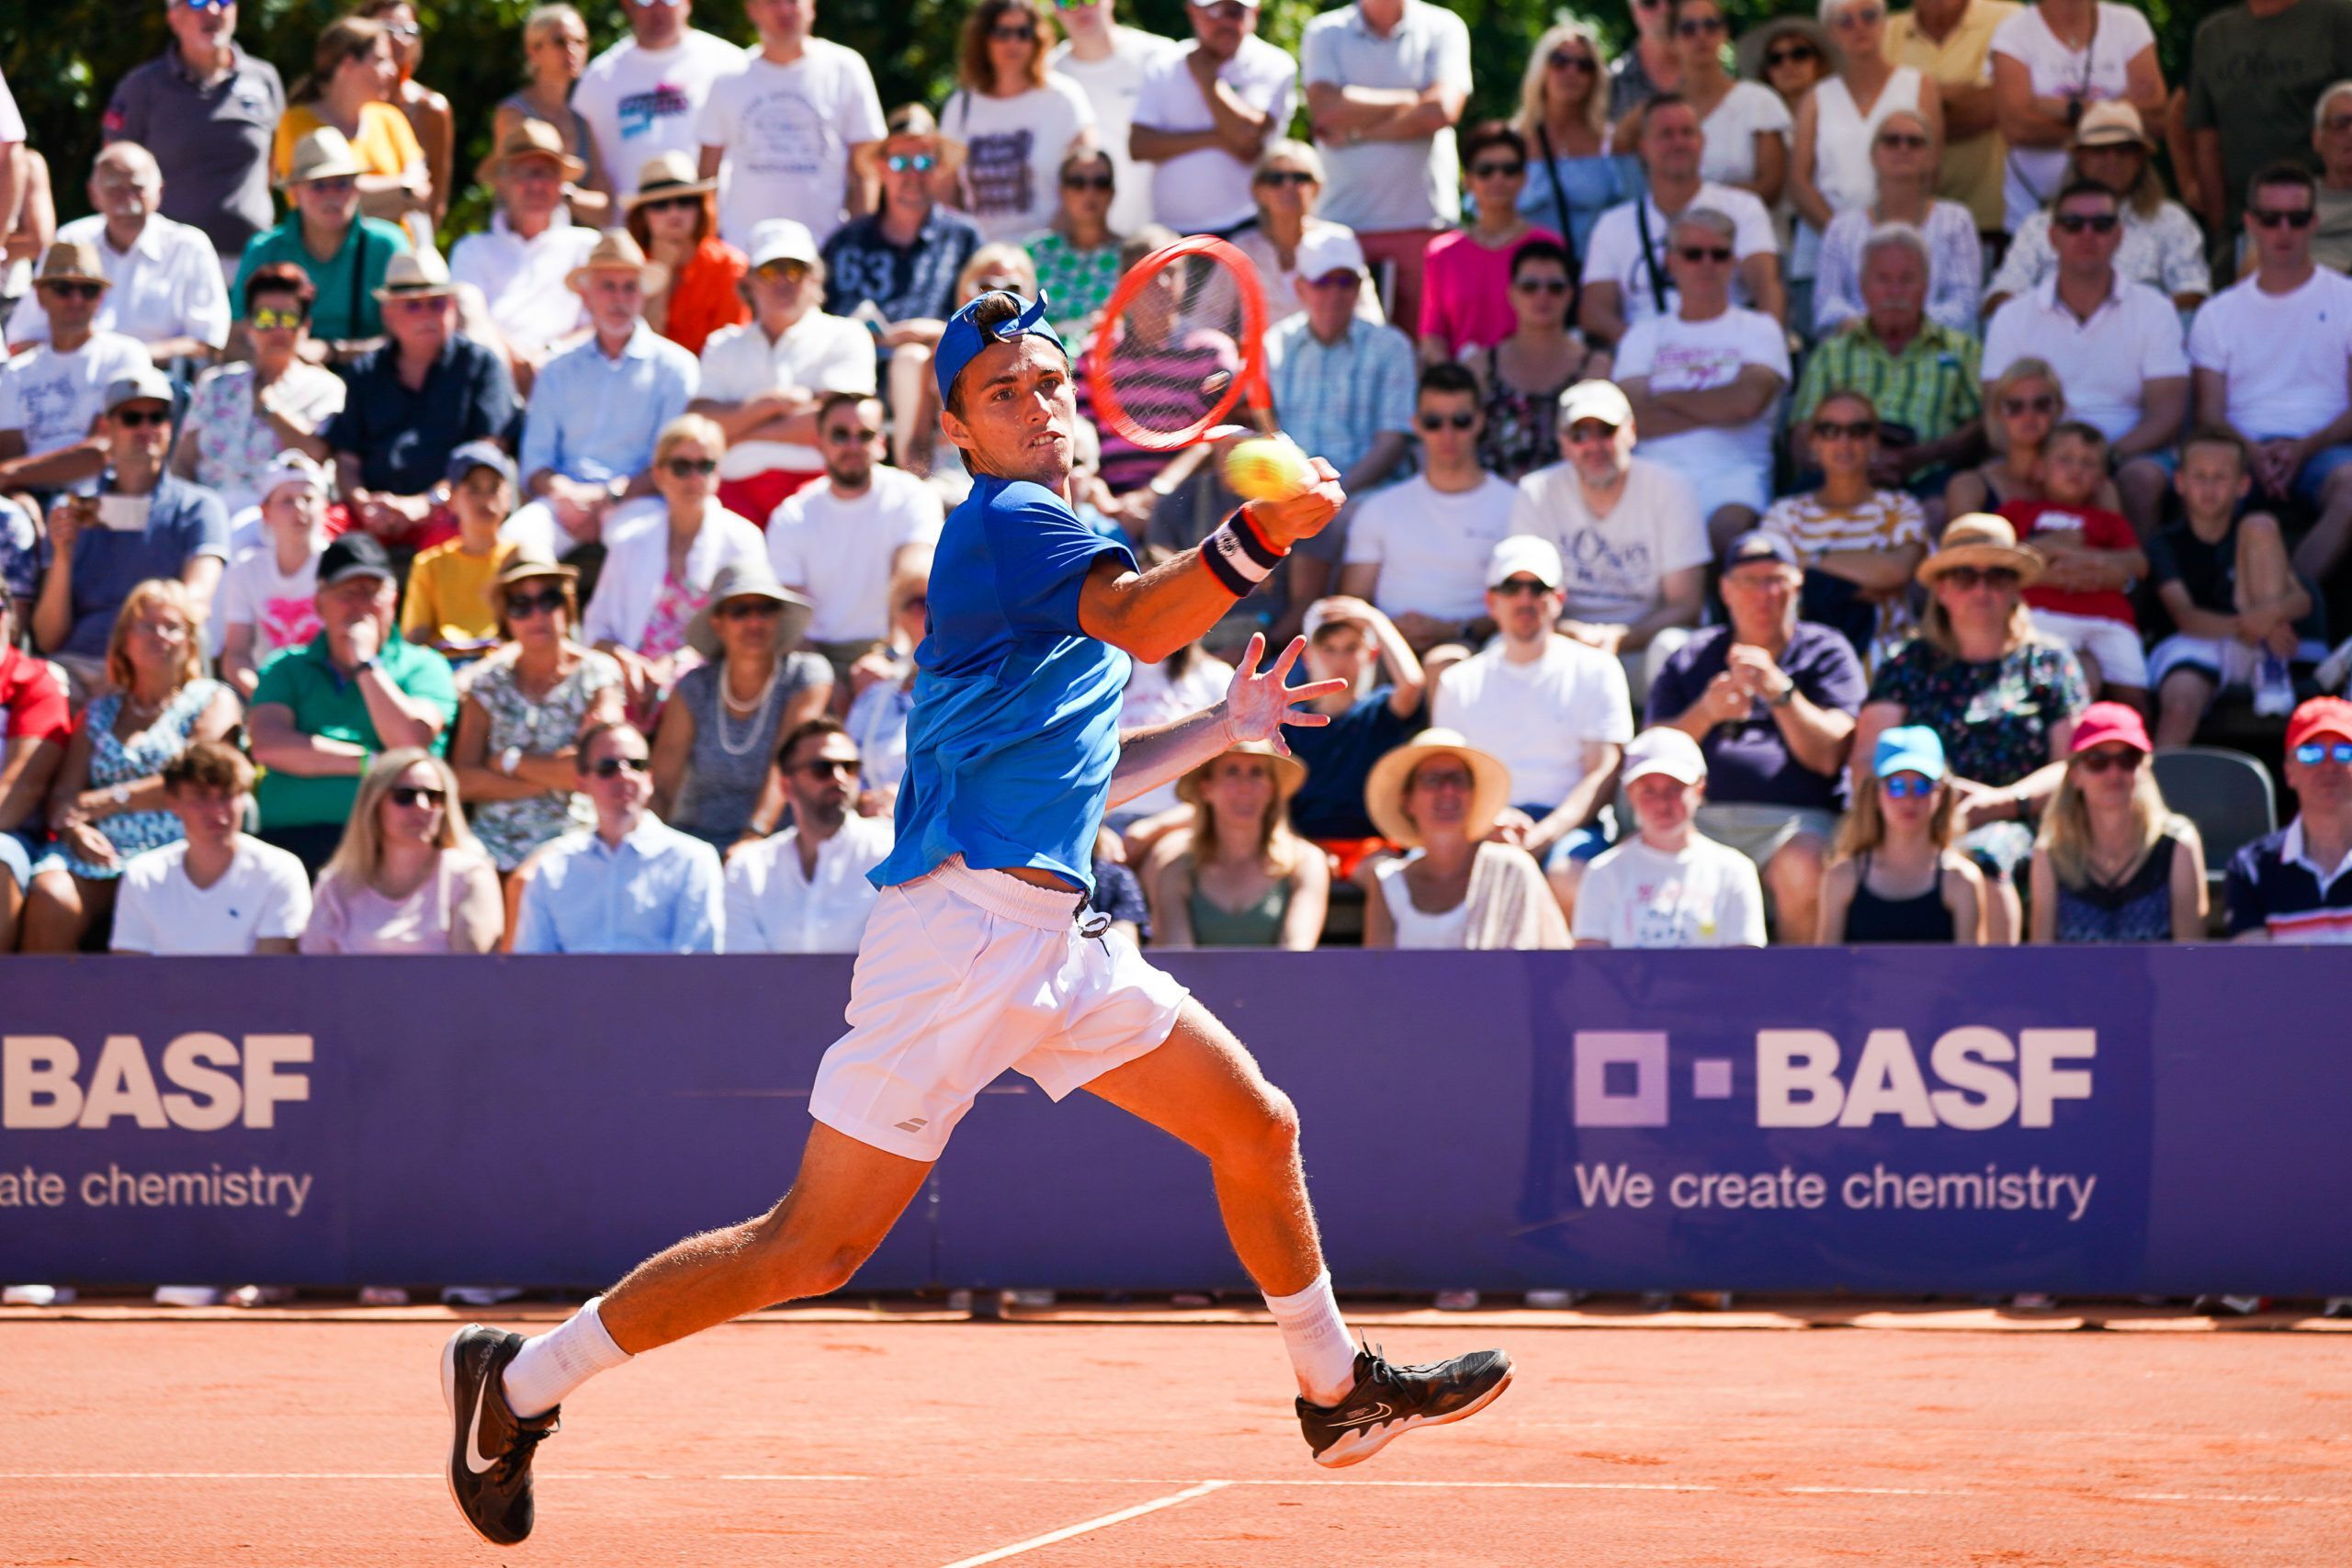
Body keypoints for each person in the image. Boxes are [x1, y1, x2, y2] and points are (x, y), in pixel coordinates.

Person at [441, 287, 1509, 1546]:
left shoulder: (1061, 533)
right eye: (1003, 391)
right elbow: (1140, 613)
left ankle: (1333, 1389)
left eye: (1050, 381)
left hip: (1055, 936)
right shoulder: (1008, 523)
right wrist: (1254, 538)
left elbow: (1081, 779)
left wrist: (1225, 727)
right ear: (957, 427)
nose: (1037, 404)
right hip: (955, 939)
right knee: (808, 1248)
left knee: (1255, 1124)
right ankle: (513, 1384)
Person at [1854, 513, 2088, 943]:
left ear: (2016, 588)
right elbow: (1868, 760)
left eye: (1997, 576)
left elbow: (2075, 765)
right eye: (1965, 576)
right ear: (1941, 589)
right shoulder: (1906, 664)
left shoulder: (2050, 662)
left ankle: (1993, 998)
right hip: (1915, 819)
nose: (1982, 589)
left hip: (2024, 822)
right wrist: (1920, 809)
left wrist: (2001, 803)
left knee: (1985, 857)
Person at [1647, 532, 1864, 945]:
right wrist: (1705, 713)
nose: (1764, 594)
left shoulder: (1826, 650)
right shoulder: (1692, 656)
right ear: (1726, 591)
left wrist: (1782, 694)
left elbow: (1831, 756)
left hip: (1793, 823)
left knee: (1805, 867)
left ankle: (1800, 1005)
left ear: (1797, 583)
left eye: (1775, 580)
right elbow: (1653, 754)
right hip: (1697, 820)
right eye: (1749, 582)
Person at [19, 580, 238, 953]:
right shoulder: (99, 711)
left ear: (190, 642)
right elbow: (65, 796)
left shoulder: (212, 700)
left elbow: (196, 780)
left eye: (173, 628)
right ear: (124, 638)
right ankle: (35, 1010)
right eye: (148, 626)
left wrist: (108, 800)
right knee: (51, 894)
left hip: (179, 849)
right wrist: (76, 834)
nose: (161, 637)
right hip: (99, 854)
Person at [1433, 535, 1633, 916]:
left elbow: (1602, 774)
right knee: (1424, 882)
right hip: (1481, 826)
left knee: (1570, 880)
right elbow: (1452, 773)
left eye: (1537, 588)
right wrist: (1489, 822)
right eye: (1512, 587)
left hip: (1571, 830)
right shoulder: (1458, 682)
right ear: (1491, 601)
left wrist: (1543, 836)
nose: (1525, 599)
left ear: (1558, 599)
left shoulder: (1597, 670)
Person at [1980, 180, 2188, 536]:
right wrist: (2045, 463)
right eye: (2074, 225)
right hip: (2037, 451)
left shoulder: (2155, 309)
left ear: (2119, 236)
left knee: (2141, 479)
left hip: (2130, 454)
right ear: (2053, 237)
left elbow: (2166, 414)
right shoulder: (2012, 315)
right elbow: (1995, 416)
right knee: (1973, 487)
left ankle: (2131, 584)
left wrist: (2100, 459)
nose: (2087, 234)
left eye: (2102, 224)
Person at [247, 533, 458, 875]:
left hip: (389, 846)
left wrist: (364, 664)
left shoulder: (425, 666)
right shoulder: (285, 667)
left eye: (372, 593)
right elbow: (269, 746)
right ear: (319, 603)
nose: (361, 606)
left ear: (394, 601)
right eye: (348, 593)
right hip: (290, 846)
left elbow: (409, 741)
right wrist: (372, 763)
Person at [2190, 163, 2352, 587]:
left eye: (2297, 219)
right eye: (2270, 218)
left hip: (2326, 447)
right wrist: (2253, 453)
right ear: (2250, 223)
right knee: (2204, 482)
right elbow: (2209, 413)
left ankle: (2290, 600)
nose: (2284, 230)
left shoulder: (2346, 300)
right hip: (2239, 449)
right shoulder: (2217, 313)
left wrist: (2304, 448)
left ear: (2314, 223)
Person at [29, 370, 228, 698]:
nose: (147, 429)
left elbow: (195, 606)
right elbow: (49, 638)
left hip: (156, 666)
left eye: (158, 417)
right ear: (107, 428)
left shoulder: (200, 507)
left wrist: (131, 662)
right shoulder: (71, 509)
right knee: (39, 699)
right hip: (77, 668)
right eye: (133, 418)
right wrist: (63, 555)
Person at [507, 231, 701, 559]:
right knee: (514, 540)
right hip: (563, 501)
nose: (619, 299)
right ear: (586, 297)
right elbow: (536, 458)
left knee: (638, 543)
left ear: (643, 296)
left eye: (629, 287)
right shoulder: (557, 368)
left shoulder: (676, 367)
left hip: (639, 502)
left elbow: (672, 460)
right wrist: (563, 493)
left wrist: (610, 497)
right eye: (607, 286)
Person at [1509, 378, 1708, 688]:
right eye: (1580, 434)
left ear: (1631, 432)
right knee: (1501, 646)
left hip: (1643, 646)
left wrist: (1623, 638)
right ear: (1562, 442)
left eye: (1606, 431)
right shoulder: (1536, 492)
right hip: (1561, 647)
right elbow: (1521, 593)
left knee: (1673, 647)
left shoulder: (1671, 488)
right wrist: (1568, 633)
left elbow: (1686, 604)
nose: (1593, 445)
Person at [1613, 208, 1792, 552]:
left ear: (1733, 262)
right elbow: (1633, 419)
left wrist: (1666, 396)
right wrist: (1717, 403)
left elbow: (1746, 403)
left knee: (1728, 533)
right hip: (1653, 478)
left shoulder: (1760, 328)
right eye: (1694, 254)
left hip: (1734, 480)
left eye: (1719, 254)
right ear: (1670, 262)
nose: (1707, 264)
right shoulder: (1642, 334)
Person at [323, 251, 519, 555]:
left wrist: (428, 502)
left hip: (449, 510)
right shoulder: (364, 372)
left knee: (460, 539)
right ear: (388, 313)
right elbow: (347, 460)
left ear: (452, 308)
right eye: (413, 305)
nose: (428, 315)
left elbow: (488, 450)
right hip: (373, 513)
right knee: (317, 532)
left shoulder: (481, 365)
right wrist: (363, 503)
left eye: (437, 303)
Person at [820, 106, 983, 469]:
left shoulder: (964, 239)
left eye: (924, 162)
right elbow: (817, 317)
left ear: (939, 168)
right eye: (899, 163)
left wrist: (933, 332)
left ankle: (914, 471)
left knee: (911, 361)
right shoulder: (846, 242)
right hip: (852, 377)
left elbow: (986, 317)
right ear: (880, 168)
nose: (912, 175)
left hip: (933, 380)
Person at [447, 552, 626, 881]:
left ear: (568, 605)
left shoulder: (599, 674)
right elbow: (463, 780)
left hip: (576, 840)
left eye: (549, 599)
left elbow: (601, 768)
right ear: (506, 616)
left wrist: (507, 762)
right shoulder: (486, 682)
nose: (537, 615)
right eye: (521, 605)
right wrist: (552, 777)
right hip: (492, 849)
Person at [1299, 0, 1472, 331]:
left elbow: (1440, 111)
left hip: (1425, 223)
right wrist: (1411, 99)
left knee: (1424, 349)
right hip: (1343, 224)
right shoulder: (1323, 31)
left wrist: (1354, 133)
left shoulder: (1444, 26)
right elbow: (1326, 109)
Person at [580, 416, 772, 712]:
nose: (694, 478)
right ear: (658, 475)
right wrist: (628, 662)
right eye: (682, 467)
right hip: (630, 683)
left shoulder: (743, 539)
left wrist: (676, 665)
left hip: (710, 683)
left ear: (718, 473)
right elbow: (596, 628)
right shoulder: (630, 540)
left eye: (705, 466)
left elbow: (751, 628)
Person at [692, 219, 876, 526]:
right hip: (730, 498)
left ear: (815, 278)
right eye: (769, 270)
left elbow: (843, 425)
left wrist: (735, 432)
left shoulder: (848, 334)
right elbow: (700, 423)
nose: (783, 281)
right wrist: (768, 406)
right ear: (748, 282)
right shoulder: (721, 343)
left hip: (819, 493)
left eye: (795, 270)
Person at [2146, 427, 2321, 748]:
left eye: (2220, 477)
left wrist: (2269, 618)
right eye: (2200, 476)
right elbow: (2186, 616)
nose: (2209, 487)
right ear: (2180, 482)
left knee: (2260, 524)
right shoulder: (2163, 543)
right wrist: (2259, 627)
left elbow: (2301, 600)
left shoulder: (2257, 533)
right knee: (2179, 707)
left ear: (2243, 485)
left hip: (2259, 643)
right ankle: (2154, 792)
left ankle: (2271, 667)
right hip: (2193, 643)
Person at [1791, 223, 1983, 502]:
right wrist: (1850, 462)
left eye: (1907, 279)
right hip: (1838, 478)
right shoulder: (1832, 353)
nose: (1895, 292)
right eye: (1883, 279)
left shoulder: (1961, 349)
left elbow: (1982, 427)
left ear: (1926, 286)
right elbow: (1801, 435)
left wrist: (1922, 456)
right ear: (1863, 285)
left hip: (1929, 480)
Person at [767, 391, 944, 689]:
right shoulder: (792, 514)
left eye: (864, 434)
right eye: (840, 435)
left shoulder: (912, 495)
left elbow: (914, 580)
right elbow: (791, 619)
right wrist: (829, 685)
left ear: (880, 443)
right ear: (819, 442)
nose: (852, 445)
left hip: (898, 648)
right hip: (815, 656)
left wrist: (891, 655)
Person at [1338, 362, 1518, 654]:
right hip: (1387, 654)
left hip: (1477, 652)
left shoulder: (1515, 505)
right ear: (1416, 425)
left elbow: (1526, 601)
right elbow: (1352, 603)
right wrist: (1390, 633)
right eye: (1434, 422)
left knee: (1446, 662)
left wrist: (1452, 630)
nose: (1447, 434)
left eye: (1460, 420)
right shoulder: (1379, 508)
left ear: (1480, 421)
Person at [650, 560, 829, 851]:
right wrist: (647, 844)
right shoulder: (693, 688)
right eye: (740, 611)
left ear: (779, 618)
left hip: (782, 845)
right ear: (717, 623)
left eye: (765, 609)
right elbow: (662, 785)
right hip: (697, 842)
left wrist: (754, 837)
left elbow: (787, 761)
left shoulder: (806, 676)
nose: (754, 621)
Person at [1580, 94, 1783, 346]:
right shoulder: (1612, 225)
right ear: (1643, 147)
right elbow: (1595, 312)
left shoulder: (1742, 208)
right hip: (1645, 363)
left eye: (1687, 132)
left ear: (1702, 141)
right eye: (1666, 134)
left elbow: (1767, 288)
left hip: (1728, 352)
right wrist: (1642, 349)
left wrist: (1765, 348)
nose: (1678, 143)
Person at [1, 143, 229, 365]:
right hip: (73, 380)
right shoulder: (71, 240)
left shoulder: (189, 246)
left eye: (137, 189)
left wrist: (121, 360)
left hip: (157, 386)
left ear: (159, 191)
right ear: (93, 194)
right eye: (114, 190)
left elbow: (207, 343)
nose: (127, 201)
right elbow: (24, 336)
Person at [511, 718, 725, 953]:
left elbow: (697, 963)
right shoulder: (552, 867)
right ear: (582, 782)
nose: (625, 776)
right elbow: (535, 966)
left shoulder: (692, 859)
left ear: (649, 779)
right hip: (574, 990)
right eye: (607, 767)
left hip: (661, 990)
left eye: (637, 765)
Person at [103, 0, 287, 271]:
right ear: (173, 17)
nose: (212, 10)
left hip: (251, 258)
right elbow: (114, 168)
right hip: (168, 262)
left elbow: (276, 162)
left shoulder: (263, 78)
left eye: (223, 0)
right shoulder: (142, 87)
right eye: (196, 1)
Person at [1981, 103, 2209, 316]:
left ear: (2140, 158)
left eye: (2124, 150)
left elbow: (2195, 292)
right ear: (2079, 157)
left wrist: (2130, 323)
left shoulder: (2171, 221)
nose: (2112, 159)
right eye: (2099, 149)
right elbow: (2000, 295)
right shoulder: (2040, 225)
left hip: (2140, 347)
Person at [694, 0, 885, 252]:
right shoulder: (727, 79)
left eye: (793, 0)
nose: (784, 9)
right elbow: (708, 177)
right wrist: (709, 247)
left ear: (812, 6)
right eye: (773, 1)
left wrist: (859, 247)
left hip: (824, 252)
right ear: (751, 9)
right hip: (744, 254)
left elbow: (866, 171)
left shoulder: (845, 69)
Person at [1360, 728, 1571, 948]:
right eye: (1432, 780)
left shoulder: (1512, 868)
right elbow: (1377, 972)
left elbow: (1558, 961)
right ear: (1408, 801)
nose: (1448, 790)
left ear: (1473, 795)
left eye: (1458, 779)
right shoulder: (1388, 881)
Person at [1766, 389, 1931, 657]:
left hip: (1887, 657)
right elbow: (1770, 582)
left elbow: (1896, 570)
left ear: (1874, 442)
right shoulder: (1786, 512)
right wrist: (1857, 586)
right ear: (1814, 442)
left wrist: (1811, 564)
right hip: (1803, 657)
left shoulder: (1900, 506)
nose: (1843, 441)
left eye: (1858, 430)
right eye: (1829, 430)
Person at [172, 264, 344, 521]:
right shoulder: (215, 384)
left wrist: (268, 406)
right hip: (209, 516)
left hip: (282, 524)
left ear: (305, 326)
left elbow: (318, 454)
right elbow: (183, 462)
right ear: (248, 326)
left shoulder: (326, 388)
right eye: (265, 319)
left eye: (288, 319)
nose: (277, 329)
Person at [1571, 726, 1767, 949]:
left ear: (1699, 790)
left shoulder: (1735, 871)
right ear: (1629, 793)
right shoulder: (1603, 872)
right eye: (1648, 791)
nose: (1662, 804)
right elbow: (1592, 966)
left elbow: (1745, 967)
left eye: (1675, 789)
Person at [108, 740, 310, 956]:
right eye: (201, 796)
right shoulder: (143, 874)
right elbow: (130, 973)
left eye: (227, 796)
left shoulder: (281, 869)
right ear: (173, 802)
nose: (218, 812)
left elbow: (274, 976)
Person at [2027, 701, 2207, 942]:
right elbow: (2042, 961)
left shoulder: (2178, 845)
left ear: (2145, 767)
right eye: (2097, 760)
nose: (2114, 773)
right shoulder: (2050, 852)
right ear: (2075, 775)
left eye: (2128, 759)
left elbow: (2191, 959)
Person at [1998, 420, 2149, 706]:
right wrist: (2048, 547)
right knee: (2033, 689)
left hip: (2107, 618)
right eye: (2065, 459)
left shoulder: (2109, 522)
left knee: (2133, 696)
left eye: (2088, 463)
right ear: (2040, 468)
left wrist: (2087, 560)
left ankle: (2144, 749)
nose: (2076, 469)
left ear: (2102, 478)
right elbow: (1996, 556)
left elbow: (2138, 563)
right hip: (2040, 615)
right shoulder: (2019, 511)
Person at [1789, 0, 1940, 282]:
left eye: (1868, 16)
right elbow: (1799, 182)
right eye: (1845, 20)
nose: (1858, 26)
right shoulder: (1815, 98)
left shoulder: (1920, 86)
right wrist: (1844, 238)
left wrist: (1888, 240)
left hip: (1900, 253)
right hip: (1824, 248)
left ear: (1884, 23)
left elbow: (1930, 170)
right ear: (1831, 33)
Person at [1988, 0, 2165, 236]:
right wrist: (2118, 118)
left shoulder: (2129, 25)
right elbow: (2018, 129)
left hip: (2129, 215)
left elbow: (2154, 115)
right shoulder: (2013, 32)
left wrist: (2064, 109)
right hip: (2036, 213)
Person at [302, 749, 503, 953]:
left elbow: (474, 974)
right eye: (404, 796)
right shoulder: (336, 885)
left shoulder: (469, 875)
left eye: (434, 797)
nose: (422, 806)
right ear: (373, 804)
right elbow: (313, 975)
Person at [2185, 0, 2352, 245]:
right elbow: (2205, 136)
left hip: (2332, 224)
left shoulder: (2338, 19)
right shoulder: (2213, 35)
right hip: (2244, 226)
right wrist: (2220, 232)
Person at [232, 129, 412, 353]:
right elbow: (238, 334)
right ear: (295, 193)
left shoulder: (387, 244)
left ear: (357, 188)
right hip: (284, 376)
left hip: (369, 379)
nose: (332, 195)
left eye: (342, 183)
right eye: (319, 185)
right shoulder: (263, 249)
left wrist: (332, 351)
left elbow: (408, 338)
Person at [1264, 229, 1414, 497]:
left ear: (1358, 287)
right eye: (1322, 281)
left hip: (1370, 496)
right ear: (1300, 287)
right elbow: (1266, 429)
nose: (1335, 293)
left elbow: (1392, 444)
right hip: (1291, 495)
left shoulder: (1392, 347)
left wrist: (1335, 494)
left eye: (1345, 281)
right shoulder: (1275, 343)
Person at [723, 716, 894, 952]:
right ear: (786, 786)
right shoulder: (749, 868)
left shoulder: (891, 852)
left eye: (850, 767)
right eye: (822, 768)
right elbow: (747, 971)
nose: (839, 777)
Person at [1130, 0, 1298, 238]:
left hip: (1247, 229)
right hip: (1172, 232)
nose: (1226, 21)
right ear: (1192, 12)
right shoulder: (1163, 64)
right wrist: (1219, 138)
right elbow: (1139, 145)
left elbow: (1246, 140)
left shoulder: (1274, 64)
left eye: (1235, 11)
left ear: (1255, 14)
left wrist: (1209, 83)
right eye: (1215, 11)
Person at [447, 119, 599, 380]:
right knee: (464, 301)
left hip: (575, 378)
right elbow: (469, 323)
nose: (537, 185)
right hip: (493, 378)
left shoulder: (589, 245)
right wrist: (516, 362)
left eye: (547, 174)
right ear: (501, 184)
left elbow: (603, 323)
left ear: (561, 184)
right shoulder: (471, 249)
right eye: (526, 173)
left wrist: (550, 355)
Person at [937, 0, 1097, 245]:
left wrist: (1038, 249)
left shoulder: (1063, 98)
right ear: (983, 39)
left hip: (1048, 253)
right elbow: (945, 192)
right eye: (1002, 33)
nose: (1013, 43)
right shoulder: (961, 106)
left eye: (1024, 33)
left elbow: (1087, 179)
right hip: (980, 259)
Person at [0, 243, 153, 495]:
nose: (76, 299)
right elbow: (7, 453)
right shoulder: (17, 371)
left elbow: (104, 448)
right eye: (63, 289)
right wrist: (20, 498)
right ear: (39, 295)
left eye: (89, 290)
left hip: (102, 495)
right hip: (26, 497)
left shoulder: (125, 355)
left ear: (101, 297)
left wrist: (11, 475)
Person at [1812, 111, 1982, 334]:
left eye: (1915, 142)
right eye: (1892, 141)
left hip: (1934, 349)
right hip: (1859, 348)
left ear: (1930, 158)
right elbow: (1827, 304)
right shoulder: (1842, 227)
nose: (1903, 148)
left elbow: (1964, 303)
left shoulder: (1956, 221)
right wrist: (1873, 328)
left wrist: (1902, 326)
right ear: (1873, 156)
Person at [1146, 739, 1326, 948]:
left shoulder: (1306, 861)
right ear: (1206, 789)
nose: (1245, 786)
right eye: (1232, 772)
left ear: (1271, 790)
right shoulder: (1176, 868)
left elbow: (1296, 954)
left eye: (1257, 773)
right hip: (1192, 982)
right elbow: (1179, 957)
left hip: (1281, 981)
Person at [1282, 596, 1425, 856]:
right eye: (1328, 648)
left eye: (1351, 648)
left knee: (1383, 872)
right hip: (1307, 848)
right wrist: (1306, 851)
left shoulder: (1379, 712)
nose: (1340, 659)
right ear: (1307, 657)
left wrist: (1374, 619)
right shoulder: (1288, 724)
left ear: (1371, 655)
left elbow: (1412, 683)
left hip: (1373, 847)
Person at [1817, 723, 1987, 942]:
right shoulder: (1841, 878)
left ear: (1941, 793)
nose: (1909, 799)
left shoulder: (1962, 881)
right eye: (1896, 785)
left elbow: (1971, 972)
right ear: (1876, 792)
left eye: (1922, 785)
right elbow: (1825, 970)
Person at [570, 0, 744, 206]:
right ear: (627, 5)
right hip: (628, 230)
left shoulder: (732, 64)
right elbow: (592, 172)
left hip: (714, 226)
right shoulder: (596, 80)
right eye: (647, 0)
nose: (658, 8)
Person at [1418, 123, 1563, 364]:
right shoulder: (1442, 253)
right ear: (1468, 181)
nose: (1498, 178)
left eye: (1509, 169)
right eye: (1485, 170)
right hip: (1463, 387)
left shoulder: (1549, 245)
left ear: (1523, 178)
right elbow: (1433, 336)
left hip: (1532, 378)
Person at [1465, 240, 1606, 483]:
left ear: (1570, 295)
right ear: (1511, 294)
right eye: (1530, 286)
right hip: (1494, 507)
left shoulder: (1596, 367)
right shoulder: (1480, 367)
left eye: (1555, 287)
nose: (1542, 296)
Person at [1884, 0, 2020, 242]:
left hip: (1994, 221)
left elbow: (1998, 106)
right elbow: (1874, 119)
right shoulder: (1883, 31)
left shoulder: (2010, 19)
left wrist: (1910, 100)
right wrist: (1961, 95)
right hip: (1909, 223)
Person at [272, 16, 430, 223]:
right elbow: (304, 198)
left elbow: (422, 193)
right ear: (348, 63)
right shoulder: (296, 121)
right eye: (381, 60)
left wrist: (351, 194)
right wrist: (403, 190)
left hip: (395, 252)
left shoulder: (391, 118)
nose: (393, 71)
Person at [2224, 694, 2352, 941]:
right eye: (2310, 752)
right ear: (2288, 772)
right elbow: (2256, 974)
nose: (2328, 765)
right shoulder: (2250, 869)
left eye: (2344, 751)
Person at [1512, 21, 1641, 261]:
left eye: (1584, 66)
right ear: (1541, 69)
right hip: (1527, 285)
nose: (1571, 72)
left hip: (1596, 278)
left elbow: (1633, 215)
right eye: (1560, 61)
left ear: (1596, 77)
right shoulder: (1511, 143)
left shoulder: (1613, 144)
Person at [1048, 0, 1177, 238]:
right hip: (1088, 245)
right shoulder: (1047, 73)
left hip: (1162, 234)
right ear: (1054, 8)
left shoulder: (1161, 57)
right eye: (1067, 1)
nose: (1080, 8)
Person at [1228, 141, 1385, 330]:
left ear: (1317, 188)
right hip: (1260, 357)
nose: (1289, 186)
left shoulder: (1337, 240)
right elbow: (1207, 316)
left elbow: (1368, 315)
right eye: (1275, 178)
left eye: (1300, 177)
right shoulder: (1241, 248)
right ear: (1258, 190)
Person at [1942, 355, 2113, 520]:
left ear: (2059, 408)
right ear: (1997, 413)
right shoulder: (1970, 485)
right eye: (2014, 406)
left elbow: (2121, 545)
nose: (2028, 415)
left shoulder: (2094, 482)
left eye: (2042, 404)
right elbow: (1963, 544)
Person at [219, 452, 332, 697]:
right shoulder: (245, 570)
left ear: (325, 507)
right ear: (266, 512)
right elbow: (236, 654)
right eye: (287, 501)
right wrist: (267, 696)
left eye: (308, 499)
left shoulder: (338, 567)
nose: (299, 508)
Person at [1663, 0, 1792, 211]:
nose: (1701, 35)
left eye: (1711, 25)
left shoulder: (1760, 101)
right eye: (1688, 28)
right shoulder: (1660, 111)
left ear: (1724, 32)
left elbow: (1770, 189)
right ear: (1671, 41)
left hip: (1752, 237)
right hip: (1680, 240)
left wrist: (1697, 199)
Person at [492, 4, 613, 227]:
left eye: (580, 42)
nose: (572, 50)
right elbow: (509, 193)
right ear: (533, 51)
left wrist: (561, 192)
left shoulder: (584, 116)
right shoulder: (513, 114)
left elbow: (605, 209)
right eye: (560, 42)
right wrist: (569, 194)